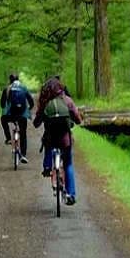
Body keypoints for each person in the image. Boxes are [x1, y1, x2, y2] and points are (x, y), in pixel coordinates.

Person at [32, 75, 83, 205]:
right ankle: (71, 194)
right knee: (68, 164)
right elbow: (77, 119)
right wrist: (77, 120)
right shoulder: (67, 100)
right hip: (65, 140)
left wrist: (40, 120)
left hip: (50, 139)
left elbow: (36, 123)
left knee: (47, 143)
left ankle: (47, 166)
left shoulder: (45, 103)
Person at [0, 73, 34, 161]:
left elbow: (2, 104)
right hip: (22, 115)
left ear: (10, 80)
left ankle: (8, 138)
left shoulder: (7, 89)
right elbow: (31, 102)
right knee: (23, 133)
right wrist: (28, 108)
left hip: (11, 115)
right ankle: (23, 155)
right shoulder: (23, 88)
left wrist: (6, 107)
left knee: (3, 119)